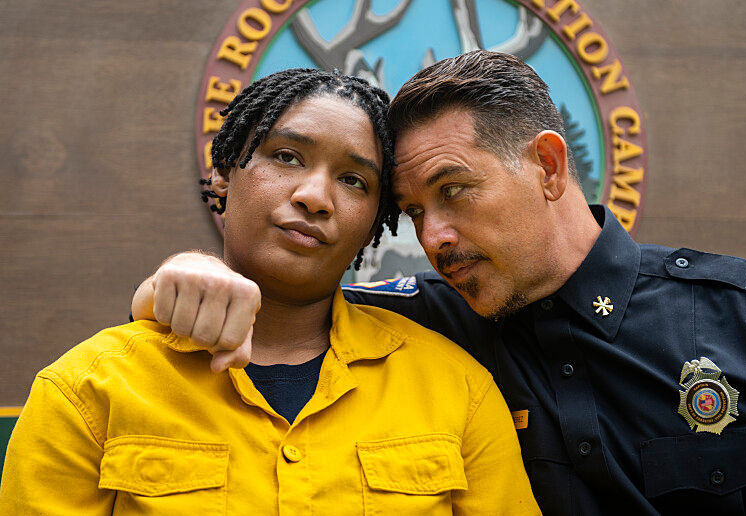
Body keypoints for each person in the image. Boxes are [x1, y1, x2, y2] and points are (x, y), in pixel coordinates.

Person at [132, 51, 746, 515]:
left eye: (454, 192)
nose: (434, 237)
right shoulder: (425, 326)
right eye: (415, 212)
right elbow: (285, 295)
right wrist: (188, 275)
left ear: (547, 165)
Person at [0, 68, 538, 515]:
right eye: (286, 157)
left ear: (374, 222)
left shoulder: (458, 391)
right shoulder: (86, 391)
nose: (315, 196)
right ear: (224, 175)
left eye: (355, 181)